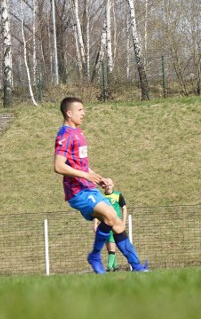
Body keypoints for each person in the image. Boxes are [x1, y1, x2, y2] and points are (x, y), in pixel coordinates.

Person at [53, 96, 147, 273]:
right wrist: (86, 175)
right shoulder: (65, 134)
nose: (84, 113)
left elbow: (80, 163)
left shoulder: (78, 133)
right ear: (69, 112)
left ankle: (138, 267)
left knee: (118, 225)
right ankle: (95, 255)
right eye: (80, 110)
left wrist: (98, 177)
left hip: (88, 188)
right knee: (111, 215)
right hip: (77, 191)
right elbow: (58, 166)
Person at [93, 185, 127, 271]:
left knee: (112, 246)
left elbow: (124, 208)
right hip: (104, 224)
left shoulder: (118, 195)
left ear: (113, 185)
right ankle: (115, 266)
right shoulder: (101, 197)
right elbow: (98, 211)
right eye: (107, 185)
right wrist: (95, 224)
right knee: (108, 247)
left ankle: (108, 267)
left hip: (114, 224)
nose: (108, 187)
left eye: (110, 185)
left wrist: (123, 222)